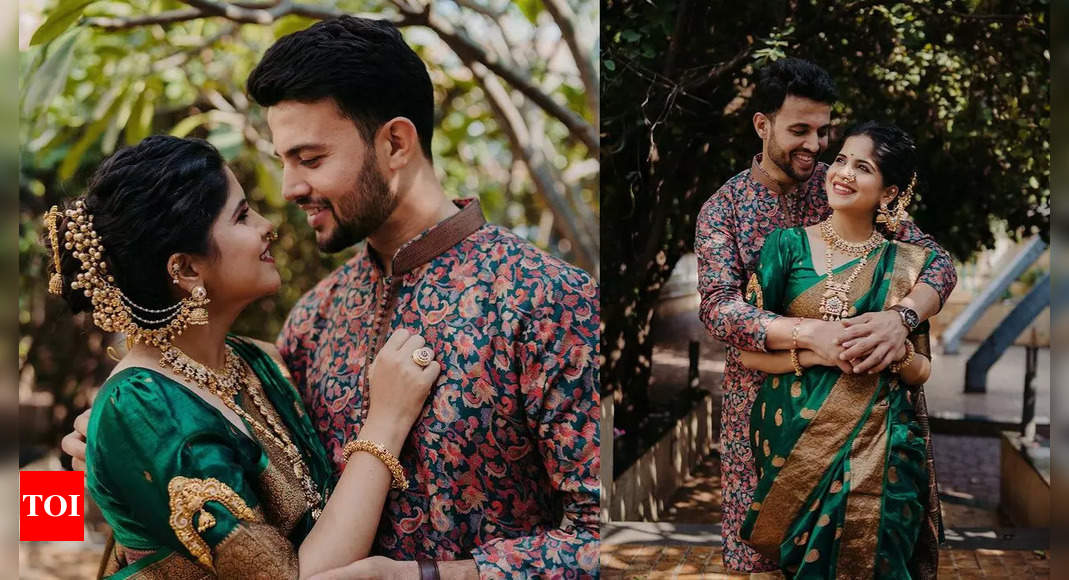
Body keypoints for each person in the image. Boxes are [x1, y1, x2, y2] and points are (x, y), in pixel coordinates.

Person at [67, 16, 600, 579]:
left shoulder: (547, 300)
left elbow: (598, 538)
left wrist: (430, 577)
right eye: (283, 163)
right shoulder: (315, 319)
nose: (290, 190)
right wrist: (105, 470)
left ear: (395, 143)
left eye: (311, 159)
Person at [47, 135, 441, 578]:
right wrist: (386, 423)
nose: (268, 223)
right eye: (242, 215)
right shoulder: (142, 405)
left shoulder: (254, 359)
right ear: (187, 269)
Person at [695, 58, 955, 574]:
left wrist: (900, 319)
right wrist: (812, 335)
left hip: (871, 416)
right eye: (798, 130)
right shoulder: (722, 210)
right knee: (764, 559)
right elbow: (720, 310)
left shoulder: (844, 185)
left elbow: (937, 264)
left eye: (822, 131)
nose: (814, 145)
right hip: (765, 409)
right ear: (762, 125)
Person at [736, 122, 941, 577]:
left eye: (862, 167)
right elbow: (747, 354)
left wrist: (898, 353)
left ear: (888, 194)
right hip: (794, 438)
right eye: (843, 159)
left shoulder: (906, 263)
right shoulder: (784, 246)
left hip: (885, 444)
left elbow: (923, 369)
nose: (843, 173)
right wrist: (816, 352)